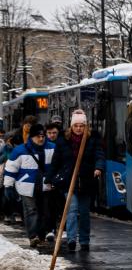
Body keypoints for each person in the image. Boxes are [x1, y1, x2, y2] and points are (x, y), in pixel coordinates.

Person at [50, 109, 105, 254]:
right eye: (76, 126)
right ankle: (71, 240)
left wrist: (98, 167)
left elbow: (99, 155)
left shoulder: (92, 139)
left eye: (81, 126)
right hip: (69, 180)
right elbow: (56, 160)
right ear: (71, 126)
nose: (79, 128)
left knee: (84, 212)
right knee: (72, 209)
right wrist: (50, 178)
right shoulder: (63, 140)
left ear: (85, 126)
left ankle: (85, 240)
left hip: (86, 181)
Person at [3, 123, 54, 248]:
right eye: (38, 136)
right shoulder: (20, 150)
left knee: (44, 211)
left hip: (45, 186)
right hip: (26, 186)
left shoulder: (52, 148)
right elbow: (11, 169)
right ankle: (33, 236)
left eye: (42, 136)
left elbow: (58, 165)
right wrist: (8, 186)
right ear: (31, 137)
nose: (41, 139)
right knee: (31, 211)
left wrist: (56, 179)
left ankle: (41, 235)